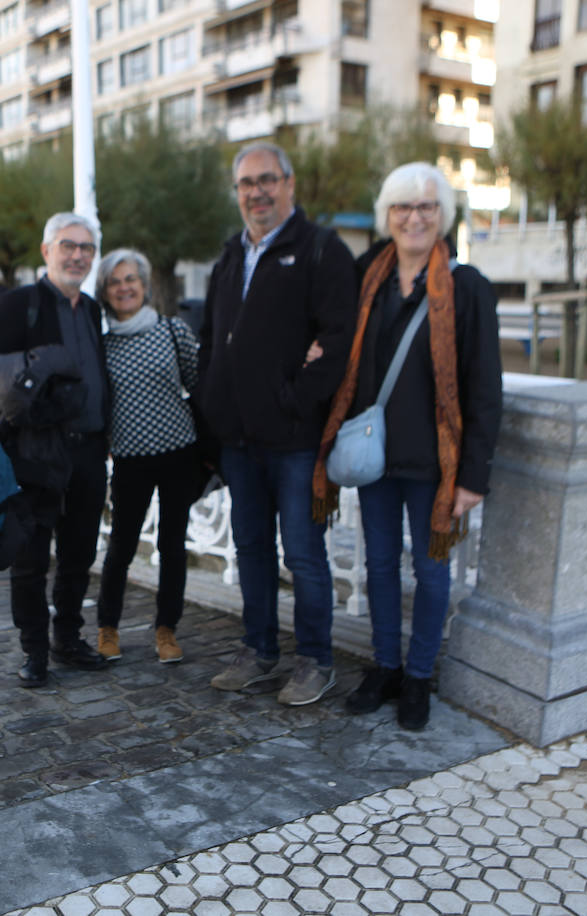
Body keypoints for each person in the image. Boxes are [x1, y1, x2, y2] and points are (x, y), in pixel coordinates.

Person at [313, 162, 502, 731]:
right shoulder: (365, 275)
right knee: (377, 566)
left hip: (435, 464)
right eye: (402, 207)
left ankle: (419, 676)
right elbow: (334, 336)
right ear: (387, 216)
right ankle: (385, 667)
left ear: (444, 216)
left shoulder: (468, 288)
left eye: (426, 207)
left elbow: (484, 387)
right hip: (374, 459)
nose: (414, 217)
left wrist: (473, 476)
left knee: (432, 571)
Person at [197, 140, 358, 706]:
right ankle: (259, 649)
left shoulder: (320, 250)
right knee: (252, 549)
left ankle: (316, 659)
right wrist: (212, 411)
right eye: (247, 183)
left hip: (294, 440)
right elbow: (213, 343)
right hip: (237, 440)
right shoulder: (229, 256)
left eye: (268, 180)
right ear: (237, 192)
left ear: (290, 185)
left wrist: (293, 399)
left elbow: (339, 343)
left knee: (304, 555)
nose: (257, 192)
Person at [0, 212, 110, 687]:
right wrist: (39, 401)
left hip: (89, 452)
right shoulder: (19, 305)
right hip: (33, 454)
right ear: (46, 251)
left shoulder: (91, 309)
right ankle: (34, 651)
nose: (78, 255)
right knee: (30, 559)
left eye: (86, 248)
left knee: (78, 553)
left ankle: (67, 639)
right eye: (68, 246)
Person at [94, 248, 198, 664]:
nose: (124, 288)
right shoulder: (101, 346)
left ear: (144, 285)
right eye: (115, 282)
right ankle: (107, 627)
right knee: (121, 546)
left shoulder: (173, 331)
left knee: (173, 546)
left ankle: (166, 630)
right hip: (129, 459)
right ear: (106, 292)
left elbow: (198, 382)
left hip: (179, 454)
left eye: (130, 279)